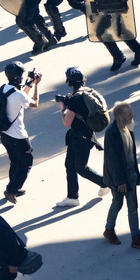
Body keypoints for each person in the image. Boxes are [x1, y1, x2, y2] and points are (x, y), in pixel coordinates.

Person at [56, 67, 109, 206]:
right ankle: (72, 197)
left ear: (69, 82)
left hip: (82, 139)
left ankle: (105, 183)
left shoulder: (75, 99)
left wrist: (63, 108)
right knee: (69, 165)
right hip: (83, 136)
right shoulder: (86, 92)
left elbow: (66, 122)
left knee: (81, 168)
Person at [102, 102, 140, 250]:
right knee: (118, 202)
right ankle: (109, 230)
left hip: (131, 175)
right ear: (121, 117)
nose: (132, 116)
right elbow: (112, 159)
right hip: (120, 178)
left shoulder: (128, 126)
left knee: (132, 206)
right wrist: (120, 181)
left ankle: (135, 237)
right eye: (129, 114)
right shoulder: (112, 133)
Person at [0, 62, 39, 204]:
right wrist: (36, 85)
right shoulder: (18, 94)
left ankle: (13, 187)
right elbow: (34, 103)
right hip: (18, 136)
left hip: (4, 134)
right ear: (19, 77)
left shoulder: (4, 88)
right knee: (26, 163)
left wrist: (30, 84)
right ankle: (11, 190)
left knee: (14, 162)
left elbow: (20, 97)